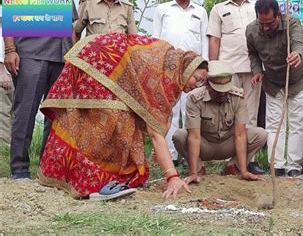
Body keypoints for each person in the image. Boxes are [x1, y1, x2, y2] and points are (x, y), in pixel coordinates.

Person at [38, 33, 208, 200]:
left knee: (125, 122)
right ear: (187, 69)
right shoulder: (162, 69)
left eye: (202, 83)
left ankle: (105, 177)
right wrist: (173, 178)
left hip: (104, 65)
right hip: (97, 65)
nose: (197, 86)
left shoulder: (171, 70)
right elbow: (155, 133)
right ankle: (90, 179)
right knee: (114, 121)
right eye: (197, 79)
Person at [3, 3, 78, 179]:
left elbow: (70, 27)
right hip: (32, 53)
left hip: (62, 56)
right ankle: (20, 168)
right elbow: (9, 17)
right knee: (26, 112)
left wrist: (73, 56)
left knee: (57, 117)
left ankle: (48, 168)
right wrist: (10, 50)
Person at [246, 0, 303, 177]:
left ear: (279, 16)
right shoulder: (251, 31)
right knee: (274, 125)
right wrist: (257, 70)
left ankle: (293, 167)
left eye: (270, 23)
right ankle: (277, 167)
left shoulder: (292, 23)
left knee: (297, 123)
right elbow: (252, 54)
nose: (266, 28)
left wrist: (297, 53)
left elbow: (299, 42)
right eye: (262, 23)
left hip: (298, 80)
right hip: (273, 83)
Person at [207, 0, 264, 175]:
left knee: (251, 116)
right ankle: (228, 161)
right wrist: (213, 70)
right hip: (227, 72)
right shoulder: (218, 9)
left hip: (253, 69)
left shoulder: (256, 6)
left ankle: (248, 161)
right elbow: (214, 39)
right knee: (229, 117)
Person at [173, 61, 267, 184]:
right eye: (217, 90)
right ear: (207, 85)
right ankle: (198, 168)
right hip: (204, 144)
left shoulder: (238, 97)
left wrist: (244, 171)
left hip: (228, 143)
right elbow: (194, 137)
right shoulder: (195, 99)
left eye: (225, 89)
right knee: (179, 136)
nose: (222, 93)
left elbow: (240, 135)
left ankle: (234, 167)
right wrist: (193, 173)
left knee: (260, 134)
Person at [153, 0, 208, 165]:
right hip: (167, 70)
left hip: (194, 72)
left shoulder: (200, 11)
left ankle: (191, 156)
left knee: (192, 112)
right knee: (170, 112)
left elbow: (205, 44)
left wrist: (205, 70)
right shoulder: (162, 9)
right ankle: (170, 156)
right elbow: (156, 41)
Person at [0, 0, 14, 146]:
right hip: (4, 72)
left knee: (14, 113)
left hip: (16, 70)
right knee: (3, 112)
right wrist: (1, 70)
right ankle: (4, 149)